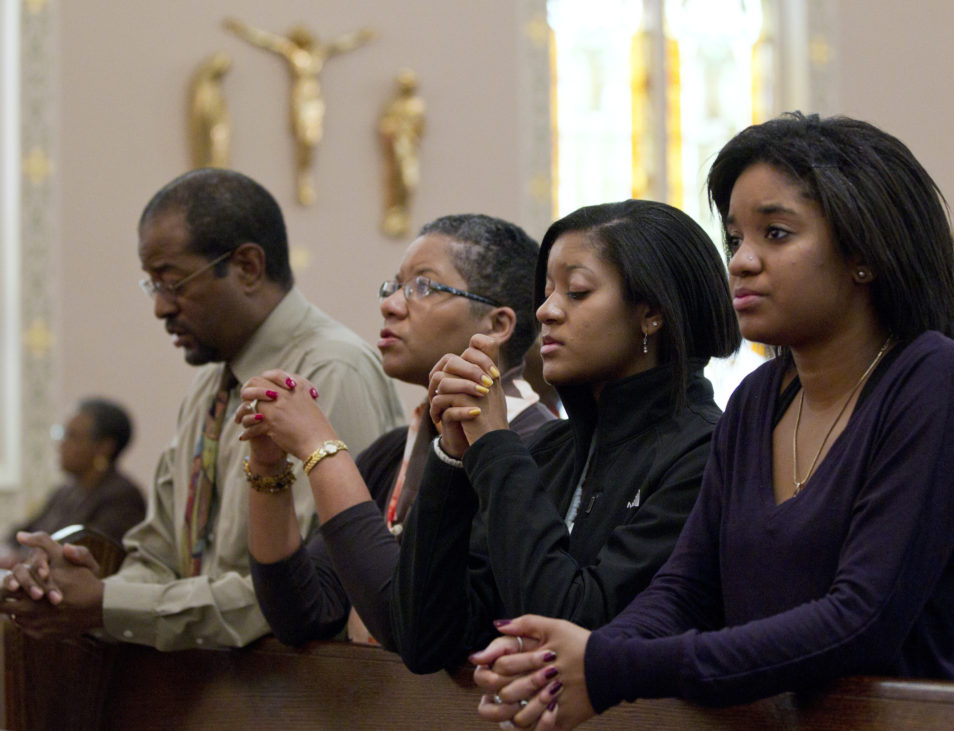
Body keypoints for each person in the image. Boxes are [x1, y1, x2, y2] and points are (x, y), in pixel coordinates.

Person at [472, 113, 954, 730]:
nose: (742, 262)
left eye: (775, 234)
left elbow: (861, 620)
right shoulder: (757, 401)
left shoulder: (932, 380)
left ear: (863, 254)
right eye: (735, 239)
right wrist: (579, 657)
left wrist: (614, 664)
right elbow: (685, 589)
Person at [0, 168, 403, 650]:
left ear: (248, 267)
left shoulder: (333, 372)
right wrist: (72, 591)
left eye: (173, 283)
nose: (160, 308)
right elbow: (159, 556)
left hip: (302, 695)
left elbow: (311, 591)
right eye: (152, 287)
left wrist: (108, 604)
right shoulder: (209, 386)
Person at [386, 199, 741, 674]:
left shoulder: (706, 456)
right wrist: (453, 456)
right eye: (547, 291)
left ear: (651, 312)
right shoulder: (547, 450)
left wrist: (495, 444)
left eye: (576, 291)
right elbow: (426, 639)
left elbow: (574, 627)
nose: (547, 312)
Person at [241, 214, 553, 646]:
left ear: (497, 326)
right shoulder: (390, 454)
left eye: (423, 286)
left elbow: (407, 624)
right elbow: (303, 614)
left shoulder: (539, 451)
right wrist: (268, 466)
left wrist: (320, 446)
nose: (390, 304)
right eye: (394, 286)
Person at [223, 17, 377, 206]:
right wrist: (241, 29)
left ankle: (307, 177)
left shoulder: (318, 54)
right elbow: (266, 41)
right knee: (302, 137)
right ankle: (302, 179)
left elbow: (340, 45)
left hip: (315, 100)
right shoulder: (292, 53)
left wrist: (361, 36)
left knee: (312, 138)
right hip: (300, 99)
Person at [1, 398, 144, 568]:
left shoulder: (122, 497)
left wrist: (21, 558)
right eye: (61, 433)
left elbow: (83, 554)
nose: (61, 444)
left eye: (71, 436)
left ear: (104, 447)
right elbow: (19, 534)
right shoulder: (64, 491)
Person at [378, 69, 426, 237]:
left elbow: (420, 128)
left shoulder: (417, 106)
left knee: (409, 180)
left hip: (408, 149)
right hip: (397, 148)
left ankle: (404, 214)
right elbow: (385, 125)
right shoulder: (394, 106)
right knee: (395, 179)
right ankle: (394, 214)